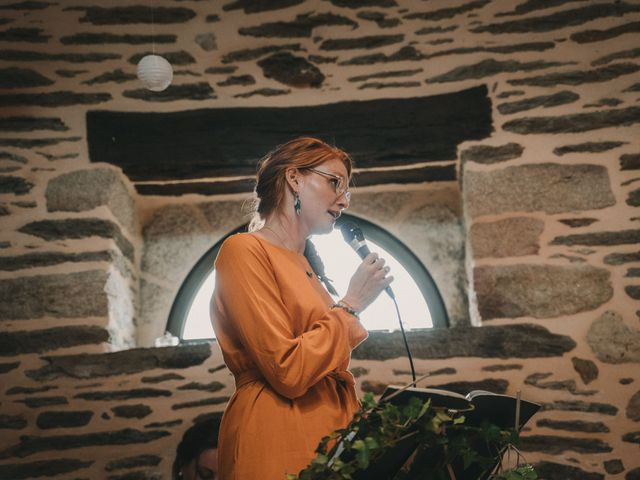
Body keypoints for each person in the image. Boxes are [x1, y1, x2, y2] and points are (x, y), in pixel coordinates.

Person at [210, 137, 394, 479]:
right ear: (294, 178)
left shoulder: (310, 270)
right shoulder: (244, 251)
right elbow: (288, 372)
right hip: (278, 430)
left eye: (346, 190)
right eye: (334, 182)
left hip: (333, 438)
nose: (343, 199)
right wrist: (351, 304)